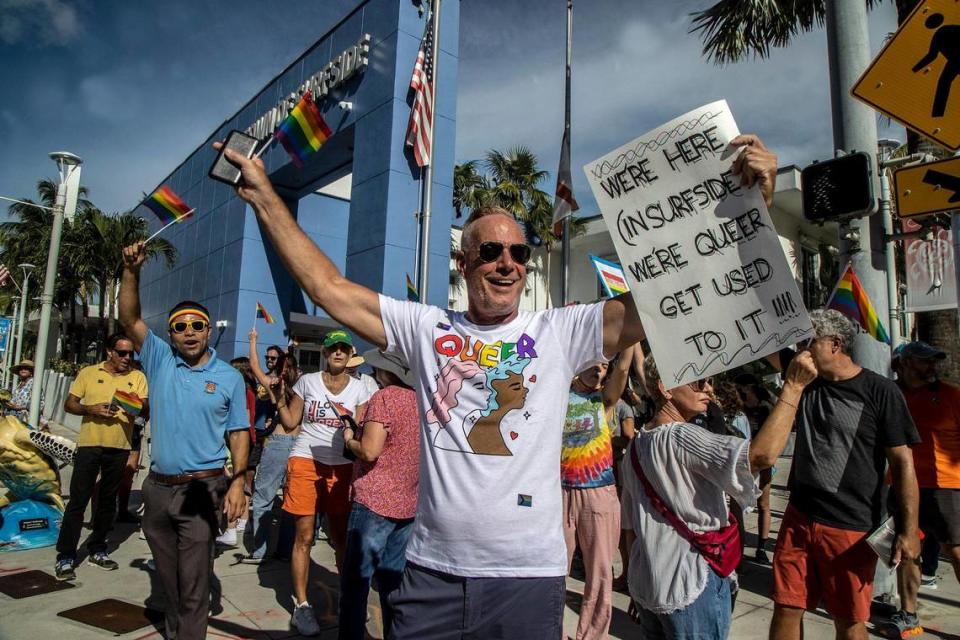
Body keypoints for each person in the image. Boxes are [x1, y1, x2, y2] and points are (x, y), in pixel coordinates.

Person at [218, 132, 777, 637]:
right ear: (464, 264)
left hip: (527, 577)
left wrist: (750, 210)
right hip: (431, 573)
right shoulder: (426, 327)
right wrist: (267, 194)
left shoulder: (560, 331)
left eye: (518, 252)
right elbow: (329, 287)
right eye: (490, 251)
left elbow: (663, 302)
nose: (507, 263)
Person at [621, 351, 815, 639]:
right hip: (689, 582)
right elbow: (760, 456)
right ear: (664, 387)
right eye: (698, 381)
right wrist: (793, 387)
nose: (709, 389)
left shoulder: (636, 445)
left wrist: (633, 584)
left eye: (708, 380)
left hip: (649, 584)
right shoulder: (681, 437)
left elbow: (630, 528)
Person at [119, 242, 250, 640]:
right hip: (157, 488)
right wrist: (131, 272)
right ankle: (177, 631)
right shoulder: (159, 359)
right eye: (180, 326)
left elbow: (239, 432)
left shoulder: (229, 376)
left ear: (209, 331)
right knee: (169, 578)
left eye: (197, 325)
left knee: (194, 581)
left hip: (203, 487)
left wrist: (238, 483)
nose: (189, 332)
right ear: (171, 334)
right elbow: (129, 319)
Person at [770, 309, 921, 640]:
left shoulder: (880, 391)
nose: (800, 350)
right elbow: (759, 339)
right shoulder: (804, 378)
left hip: (850, 527)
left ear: (835, 344)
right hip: (799, 517)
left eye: (807, 342)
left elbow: (902, 463)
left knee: (849, 619)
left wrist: (909, 531)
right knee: (786, 606)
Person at [276, 328, 372, 636]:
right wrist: (278, 397)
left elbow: (360, 432)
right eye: (333, 349)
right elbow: (291, 422)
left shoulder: (360, 388)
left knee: (340, 538)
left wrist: (353, 426)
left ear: (349, 353)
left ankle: (348, 598)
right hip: (305, 459)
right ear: (325, 353)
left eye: (344, 348)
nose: (338, 353)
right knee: (303, 536)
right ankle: (302, 606)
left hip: (342, 466)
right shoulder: (307, 382)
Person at [338, 349, 420, 640]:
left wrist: (350, 439)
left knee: (357, 583)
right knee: (393, 581)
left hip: (375, 498)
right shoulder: (423, 402)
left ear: (386, 373)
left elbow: (370, 451)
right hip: (408, 502)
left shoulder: (385, 398)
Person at [53, 334, 149, 581]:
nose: (127, 358)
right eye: (122, 353)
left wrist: (133, 408)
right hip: (90, 445)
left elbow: (145, 409)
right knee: (78, 501)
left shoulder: (137, 377)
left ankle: (98, 548)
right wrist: (90, 409)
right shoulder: (88, 373)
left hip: (119, 446)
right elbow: (69, 404)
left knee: (108, 501)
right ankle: (65, 555)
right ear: (109, 352)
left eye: (131, 354)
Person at [886, 341, 960, 637]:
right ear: (903, 363)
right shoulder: (890, 394)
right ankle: (908, 614)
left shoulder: (951, 396)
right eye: (924, 361)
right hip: (903, 485)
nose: (931, 367)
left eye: (933, 362)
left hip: (946, 486)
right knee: (906, 551)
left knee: (955, 550)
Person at [562, 345, 633, 639]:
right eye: (594, 364)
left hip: (598, 493)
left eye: (604, 367)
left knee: (600, 570)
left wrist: (631, 338)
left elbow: (625, 366)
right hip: (560, 492)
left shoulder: (605, 401)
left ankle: (591, 635)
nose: (599, 370)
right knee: (552, 567)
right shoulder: (558, 395)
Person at [243, 330, 300, 563]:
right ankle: (286, 550)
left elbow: (254, 366)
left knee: (263, 496)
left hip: (279, 442)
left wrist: (253, 340)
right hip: (300, 443)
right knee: (292, 499)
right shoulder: (304, 385)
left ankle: (260, 551)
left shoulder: (275, 384)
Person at [216, 357, 259, 548]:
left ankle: (231, 528)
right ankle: (243, 520)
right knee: (245, 483)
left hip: (239, 441)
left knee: (232, 482)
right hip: (251, 439)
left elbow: (241, 420)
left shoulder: (240, 391)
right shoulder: (251, 391)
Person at [733, 373, 775, 563]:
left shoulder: (765, 407)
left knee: (763, 504)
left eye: (741, 387)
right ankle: (739, 549)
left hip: (762, 460)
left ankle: (762, 546)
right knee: (739, 505)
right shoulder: (738, 407)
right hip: (743, 459)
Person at [7, 359, 35, 424]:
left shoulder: (34, 383)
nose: (23, 370)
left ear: (31, 371)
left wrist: (22, 407)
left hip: (27, 419)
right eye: (21, 368)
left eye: (26, 368)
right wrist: (9, 404)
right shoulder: (20, 384)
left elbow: (40, 403)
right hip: (14, 416)